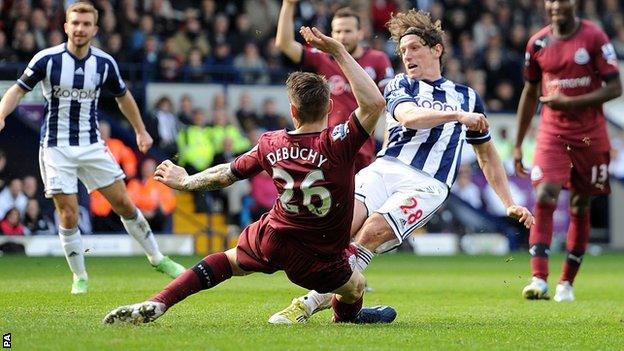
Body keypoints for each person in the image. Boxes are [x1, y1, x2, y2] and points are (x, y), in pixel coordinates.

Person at [103, 26, 395, 326]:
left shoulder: (272, 143)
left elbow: (227, 174)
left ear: (293, 111)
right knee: (355, 286)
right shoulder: (338, 142)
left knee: (226, 262)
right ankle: (345, 319)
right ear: (330, 106)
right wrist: (339, 52)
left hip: (276, 236)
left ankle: (160, 301)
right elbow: (374, 103)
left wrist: (187, 180)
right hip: (321, 253)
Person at [270, 9, 534, 324]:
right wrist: (456, 116)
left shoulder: (466, 96)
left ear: (436, 49)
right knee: (339, 228)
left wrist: (508, 202)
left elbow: (486, 154)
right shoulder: (399, 85)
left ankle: (307, 303)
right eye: (402, 50)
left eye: (414, 48)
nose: (406, 55)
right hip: (385, 169)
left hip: (427, 183)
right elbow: (409, 116)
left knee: (372, 233)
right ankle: (349, 312)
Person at [0, 3, 185, 294]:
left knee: (124, 203)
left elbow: (123, 97)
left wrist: (139, 130)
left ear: (94, 29)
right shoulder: (47, 59)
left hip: (90, 144)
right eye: (75, 23)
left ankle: (158, 258)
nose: (80, 28)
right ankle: (80, 277)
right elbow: (17, 90)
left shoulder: (103, 63)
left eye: (86, 24)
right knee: (69, 213)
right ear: (66, 27)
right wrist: (1, 114)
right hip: (56, 146)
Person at [514, 0, 622, 302]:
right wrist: (520, 143)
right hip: (553, 131)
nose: (556, 5)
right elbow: (530, 91)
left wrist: (570, 102)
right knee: (545, 193)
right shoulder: (537, 42)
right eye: (550, 0)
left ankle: (567, 283)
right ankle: (539, 278)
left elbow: (615, 87)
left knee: (580, 205)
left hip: (590, 135)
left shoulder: (594, 38)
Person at [276, 0, 394, 173]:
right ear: (331, 33)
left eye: (347, 31)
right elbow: (285, 45)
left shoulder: (378, 59)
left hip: (361, 154)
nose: (342, 37)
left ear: (361, 33)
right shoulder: (321, 58)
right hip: (325, 151)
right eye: (337, 31)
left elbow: (387, 105)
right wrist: (288, 5)